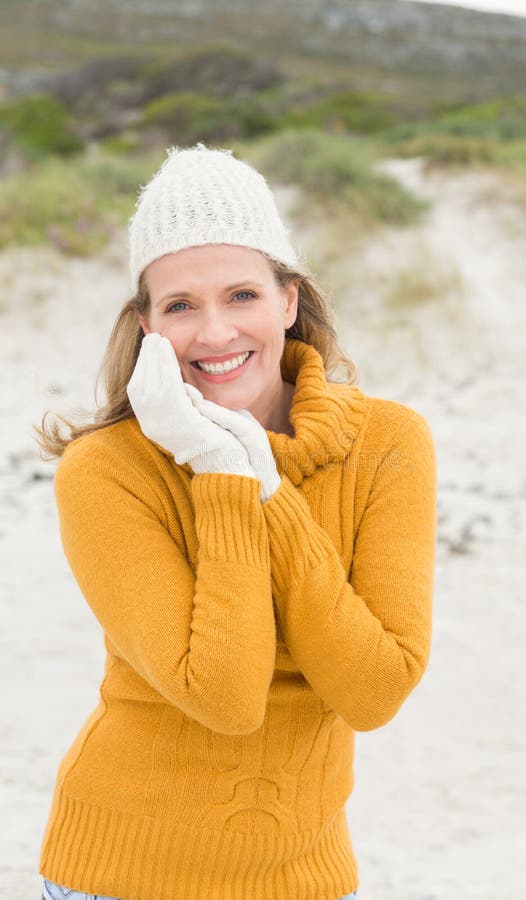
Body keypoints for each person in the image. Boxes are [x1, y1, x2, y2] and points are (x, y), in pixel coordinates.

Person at [36, 143, 437, 900]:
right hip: (121, 874)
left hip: (306, 875)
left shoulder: (388, 443)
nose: (216, 333)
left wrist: (264, 491)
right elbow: (225, 695)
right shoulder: (105, 470)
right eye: (180, 306)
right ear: (147, 325)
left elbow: (374, 692)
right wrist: (218, 468)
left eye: (242, 295)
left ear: (289, 300)